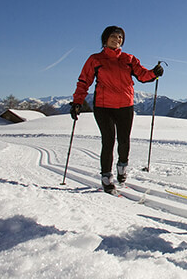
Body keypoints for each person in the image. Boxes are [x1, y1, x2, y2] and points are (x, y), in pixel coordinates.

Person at [70, 25, 164, 194]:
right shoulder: (95, 59)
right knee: (108, 141)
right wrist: (77, 102)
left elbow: (142, 75)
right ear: (105, 39)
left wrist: (154, 73)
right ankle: (106, 177)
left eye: (120, 37)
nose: (117, 39)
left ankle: (122, 169)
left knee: (124, 140)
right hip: (103, 107)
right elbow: (84, 81)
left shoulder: (128, 59)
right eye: (114, 36)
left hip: (125, 106)